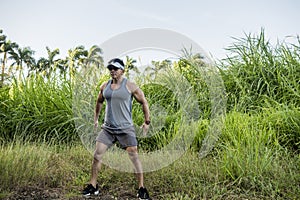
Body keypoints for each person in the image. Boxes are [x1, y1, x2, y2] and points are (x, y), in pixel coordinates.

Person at [82, 58, 151, 199]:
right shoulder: (105, 86)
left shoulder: (130, 86)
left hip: (126, 129)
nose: (112, 71)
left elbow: (144, 102)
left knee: (134, 157)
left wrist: (147, 121)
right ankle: (93, 186)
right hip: (108, 128)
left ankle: (141, 189)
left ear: (122, 71)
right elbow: (99, 101)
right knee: (97, 155)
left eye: (115, 68)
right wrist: (96, 119)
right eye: (110, 68)